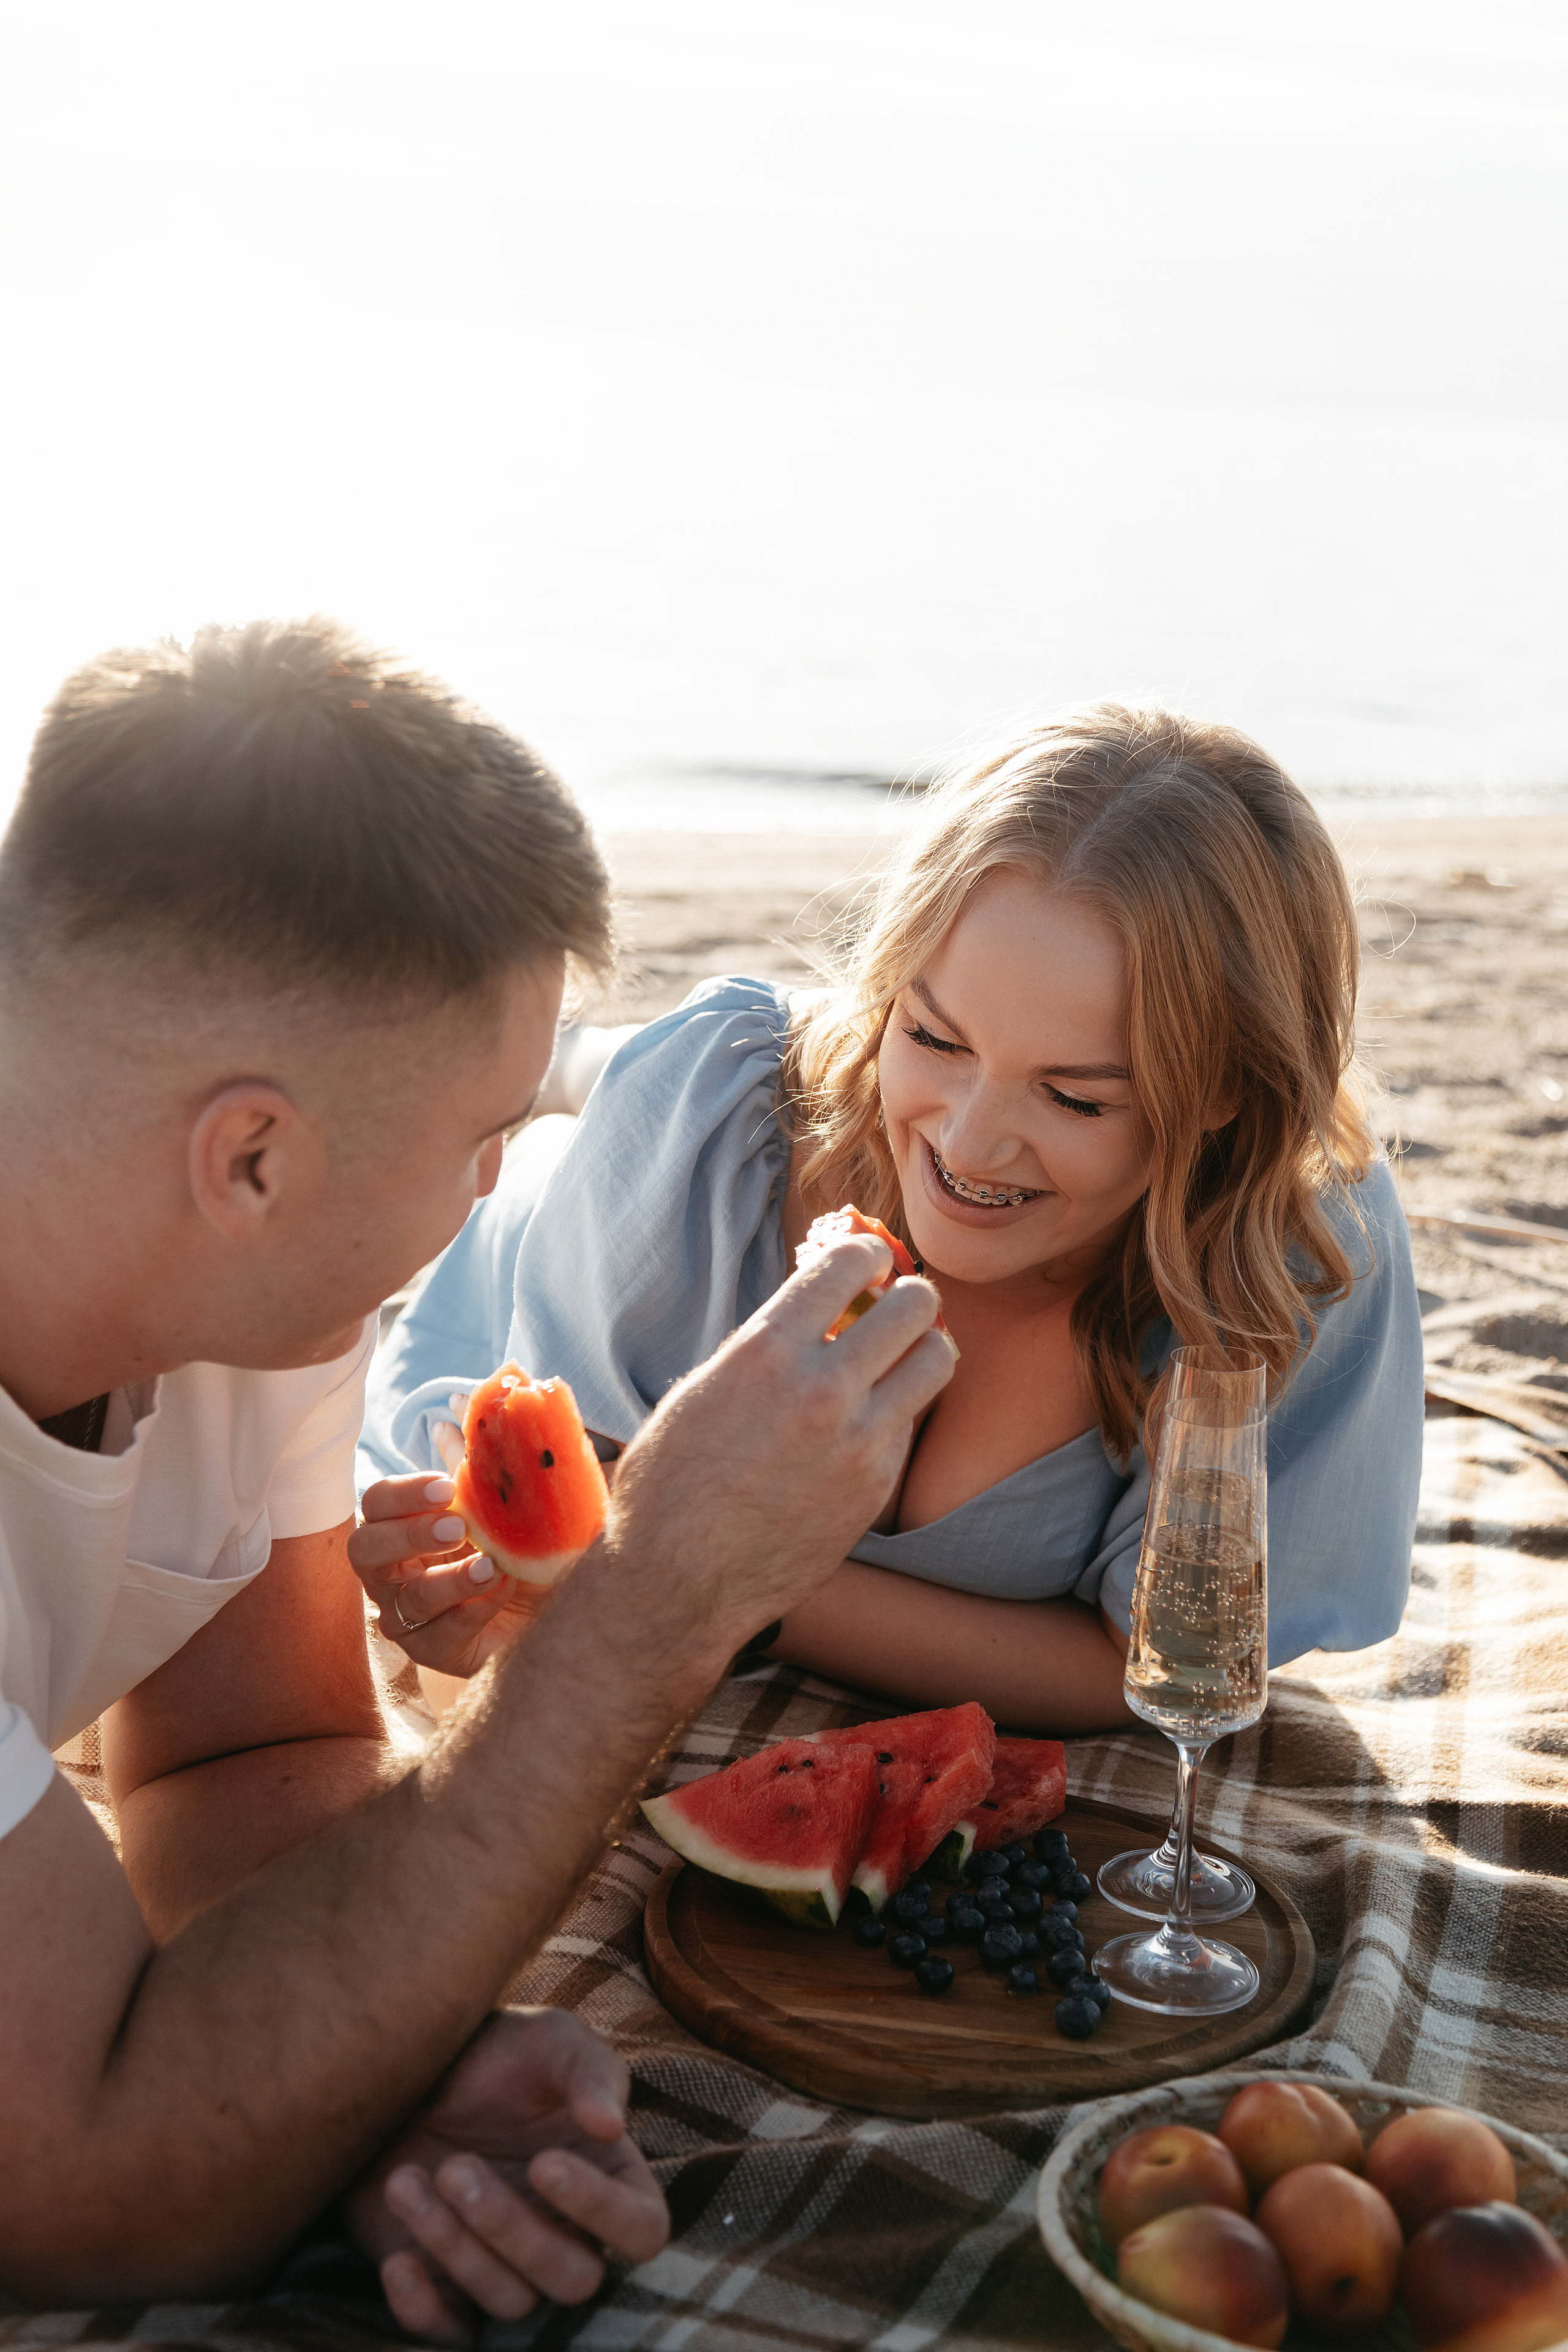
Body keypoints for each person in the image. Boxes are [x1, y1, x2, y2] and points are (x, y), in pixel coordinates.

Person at [0, 621, 953, 2334]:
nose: (501, 1181)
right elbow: (89, 2207)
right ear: (254, 1155)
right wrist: (653, 1599)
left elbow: (245, 1754)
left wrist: (357, 2084)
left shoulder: (239, 1291)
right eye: (483, 1136)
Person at [358, 706, 1425, 1732]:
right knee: (581, 1119)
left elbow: (1147, 1664)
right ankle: (569, 1081)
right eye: (935, 1036)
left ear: (1227, 1094)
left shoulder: (1299, 1244)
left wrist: (738, 1584)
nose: (969, 1144)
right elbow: (574, 1530)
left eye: (1074, 1097)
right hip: (524, 1251)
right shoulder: (698, 1114)